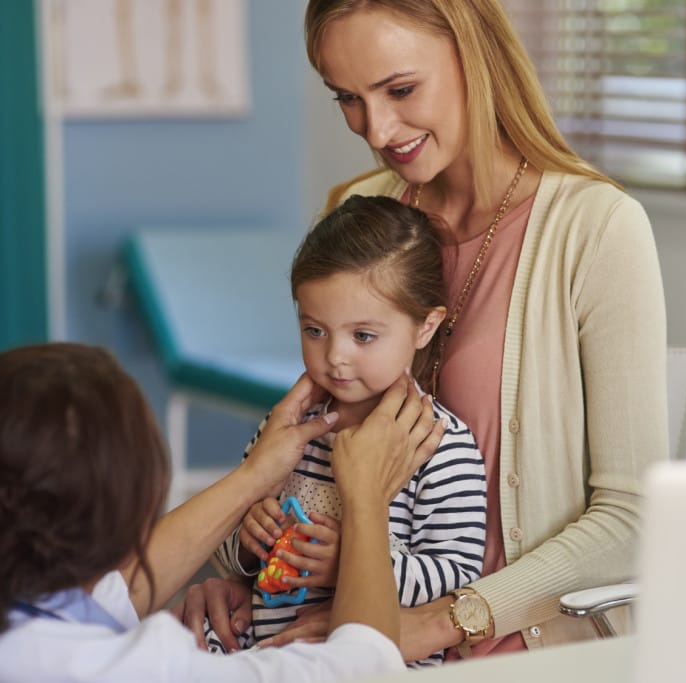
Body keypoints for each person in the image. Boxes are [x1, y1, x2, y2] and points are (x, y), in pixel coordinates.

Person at [181, 0, 668, 663]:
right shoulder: (360, 213)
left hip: (513, 647)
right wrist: (243, 576)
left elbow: (634, 522)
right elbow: (305, 457)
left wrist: (435, 622)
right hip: (342, 632)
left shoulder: (597, 229)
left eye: (401, 89)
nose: (377, 128)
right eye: (348, 99)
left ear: (474, 54)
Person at [0, 342, 445, 682]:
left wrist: (252, 480)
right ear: (134, 517)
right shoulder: (146, 671)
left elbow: (100, 600)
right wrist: (366, 498)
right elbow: (365, 669)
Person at [204, 195, 487, 667]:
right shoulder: (287, 431)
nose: (335, 356)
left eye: (363, 336)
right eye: (315, 330)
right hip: (269, 659)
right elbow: (227, 553)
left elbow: (455, 574)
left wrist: (355, 564)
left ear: (425, 326)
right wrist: (248, 544)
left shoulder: (439, 446)